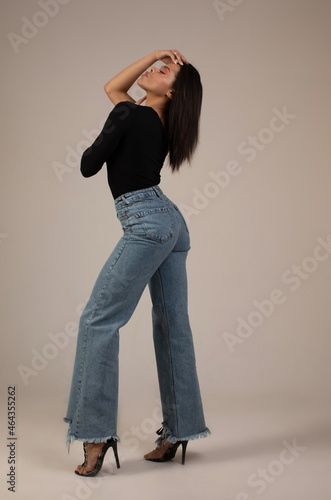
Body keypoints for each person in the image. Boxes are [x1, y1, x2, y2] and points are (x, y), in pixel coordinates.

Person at [63, 49, 211, 477]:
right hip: (170, 223)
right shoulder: (156, 121)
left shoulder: (132, 115)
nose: (153, 69)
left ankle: (95, 435)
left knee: (98, 320)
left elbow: (89, 165)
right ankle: (180, 428)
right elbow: (114, 89)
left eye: (164, 70)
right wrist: (155, 52)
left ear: (173, 90)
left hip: (147, 222)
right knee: (172, 325)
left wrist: (118, 119)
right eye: (156, 64)